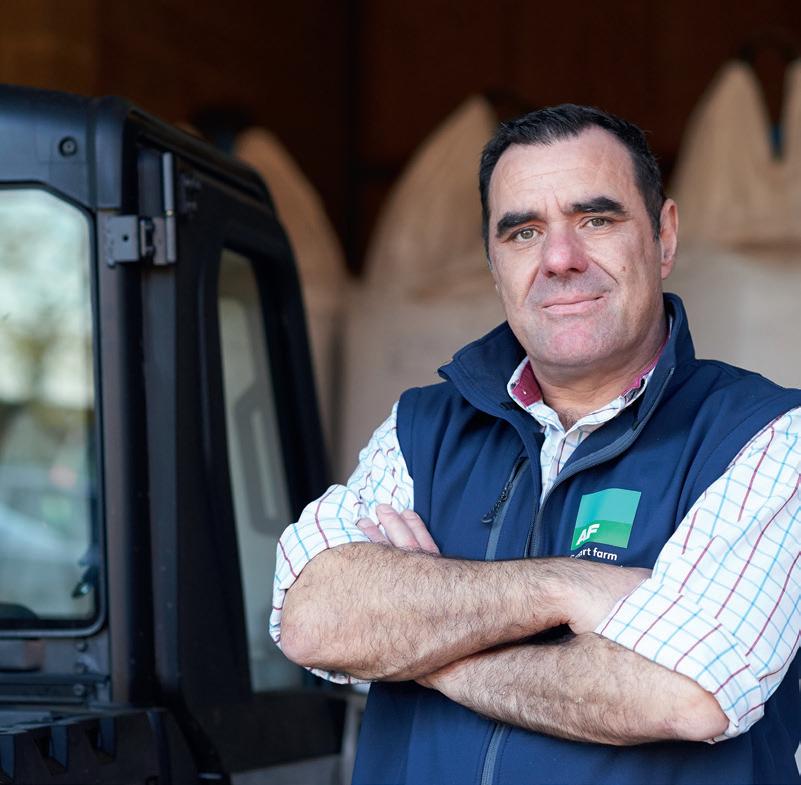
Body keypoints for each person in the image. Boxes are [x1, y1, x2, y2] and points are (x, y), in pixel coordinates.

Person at [272, 105, 801, 785]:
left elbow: (686, 695)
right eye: (523, 232)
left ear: (663, 237)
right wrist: (564, 586)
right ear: (493, 262)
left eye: (596, 220)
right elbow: (314, 619)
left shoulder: (764, 435)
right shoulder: (422, 428)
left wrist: (423, 649)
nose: (559, 259)